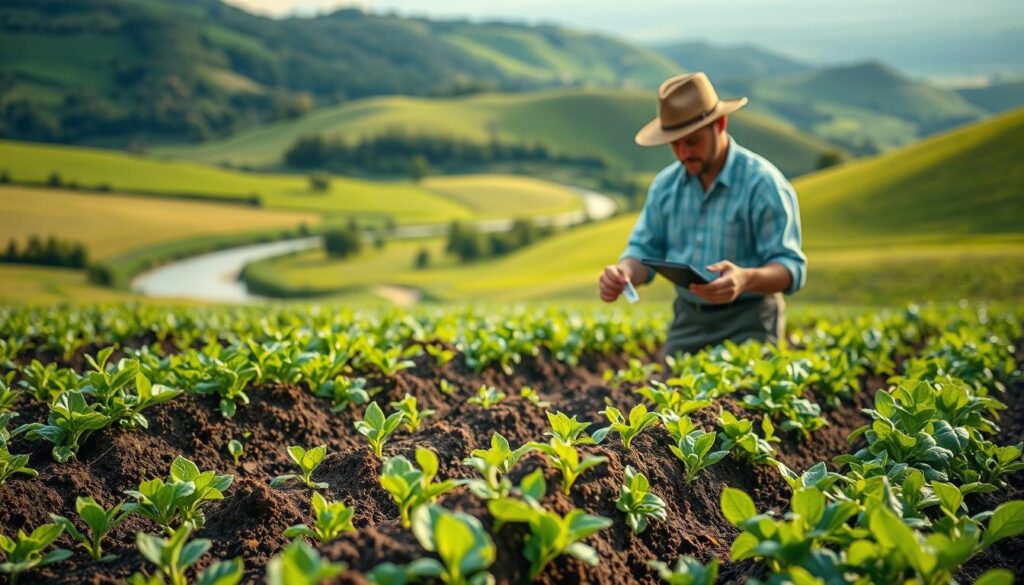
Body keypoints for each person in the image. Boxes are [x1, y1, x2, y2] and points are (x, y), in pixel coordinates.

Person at [598, 72, 807, 357]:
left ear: (720, 124)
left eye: (692, 141)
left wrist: (744, 279)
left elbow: (790, 267)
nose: (683, 153)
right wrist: (624, 273)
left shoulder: (763, 184)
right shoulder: (665, 186)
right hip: (688, 320)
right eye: (675, 144)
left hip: (749, 321)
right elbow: (643, 249)